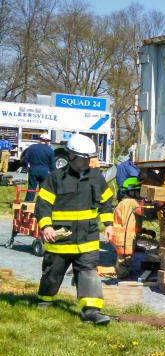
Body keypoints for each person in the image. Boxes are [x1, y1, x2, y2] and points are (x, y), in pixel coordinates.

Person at [34, 133, 115, 325]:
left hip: (88, 237)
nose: (88, 161)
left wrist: (109, 225)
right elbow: (43, 203)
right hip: (60, 239)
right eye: (84, 158)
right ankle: (45, 301)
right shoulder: (55, 178)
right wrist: (46, 226)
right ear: (71, 156)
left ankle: (91, 311)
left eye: (90, 158)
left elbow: (106, 202)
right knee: (52, 274)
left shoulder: (97, 178)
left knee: (88, 273)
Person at [111, 177, 142, 280]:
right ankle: (96, 272)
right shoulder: (131, 202)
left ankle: (121, 273)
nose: (140, 194)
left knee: (123, 261)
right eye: (139, 191)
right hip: (125, 237)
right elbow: (141, 212)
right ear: (132, 191)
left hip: (122, 236)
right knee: (123, 265)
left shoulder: (124, 202)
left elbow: (132, 221)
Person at [22, 132, 55, 201]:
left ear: (40, 139)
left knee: (31, 188)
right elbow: (52, 165)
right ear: (48, 141)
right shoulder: (50, 150)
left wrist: (26, 168)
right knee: (43, 189)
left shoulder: (32, 147)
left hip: (33, 169)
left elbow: (25, 159)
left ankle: (28, 203)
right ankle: (42, 204)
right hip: (45, 171)